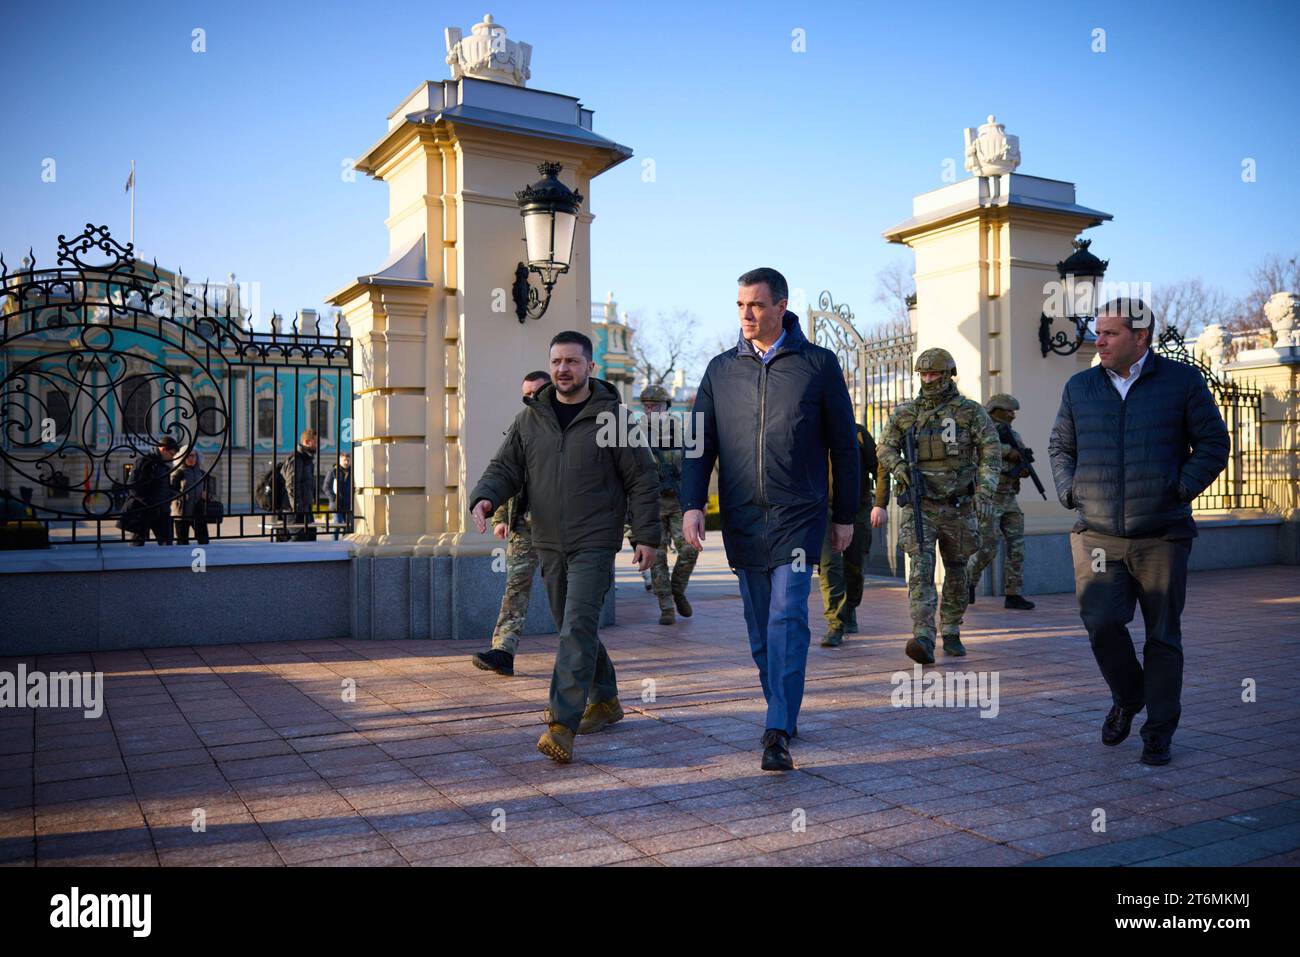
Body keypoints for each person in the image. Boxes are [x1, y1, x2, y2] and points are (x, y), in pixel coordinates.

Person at [682, 267, 858, 773]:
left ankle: (776, 727)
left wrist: (844, 513)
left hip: (798, 515)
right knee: (759, 629)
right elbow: (699, 442)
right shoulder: (720, 370)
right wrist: (693, 502)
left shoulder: (817, 365)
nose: (746, 315)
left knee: (787, 616)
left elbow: (844, 445)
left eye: (755, 305)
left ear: (781, 306)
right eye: (740, 305)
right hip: (741, 518)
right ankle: (783, 707)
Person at [1048, 297, 1228, 766]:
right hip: (1097, 534)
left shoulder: (1182, 381)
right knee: (1102, 623)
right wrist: (1070, 491)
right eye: (1098, 332)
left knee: (1162, 636)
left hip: (1161, 534)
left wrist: (1179, 489)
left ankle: (1159, 731)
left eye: (1109, 334)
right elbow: (1060, 446)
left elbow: (1213, 443)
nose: (1100, 341)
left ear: (1140, 337)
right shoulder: (1080, 386)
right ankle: (1129, 697)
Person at [469, 332, 660, 765]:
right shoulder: (530, 419)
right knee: (571, 625)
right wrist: (486, 497)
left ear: (590, 367)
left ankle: (561, 723)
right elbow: (505, 468)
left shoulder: (614, 419)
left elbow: (642, 480)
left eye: (572, 362)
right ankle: (607, 699)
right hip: (548, 541)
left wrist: (646, 536)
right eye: (556, 361)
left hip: (595, 541)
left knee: (576, 627)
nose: (562, 369)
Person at [877, 348, 1001, 664]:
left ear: (948, 375)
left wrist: (984, 491)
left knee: (958, 570)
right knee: (920, 571)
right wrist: (899, 467)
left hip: (958, 507)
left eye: (934, 374)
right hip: (921, 506)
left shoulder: (971, 412)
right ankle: (923, 636)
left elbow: (991, 452)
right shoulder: (906, 413)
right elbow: (885, 447)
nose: (929, 380)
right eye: (924, 374)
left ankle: (952, 628)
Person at [472, 370, 551, 677]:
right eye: (526, 395)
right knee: (515, 588)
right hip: (524, 525)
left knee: (570, 594)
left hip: (562, 528)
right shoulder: (521, 426)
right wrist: (502, 516)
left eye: (537, 392)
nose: (531, 399)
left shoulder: (572, 425)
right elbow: (507, 473)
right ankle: (503, 651)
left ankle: (585, 660)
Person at [966, 394, 1036, 610]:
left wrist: (1022, 467)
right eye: (1009, 410)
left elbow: (1019, 461)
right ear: (996, 410)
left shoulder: (1013, 434)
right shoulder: (983, 430)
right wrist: (1008, 453)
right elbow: (977, 454)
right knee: (987, 547)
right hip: (989, 499)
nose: (1012, 414)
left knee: (1017, 547)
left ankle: (1013, 593)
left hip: (1009, 498)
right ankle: (967, 582)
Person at [638, 383, 699, 626]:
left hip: (677, 502)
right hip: (651, 505)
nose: (652, 410)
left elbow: (694, 465)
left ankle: (678, 589)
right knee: (657, 557)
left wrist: (697, 501)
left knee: (690, 549)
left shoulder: (682, 431)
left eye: (657, 406)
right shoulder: (636, 434)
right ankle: (666, 606)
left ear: (667, 406)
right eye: (648, 406)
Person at [820, 423, 878, 647]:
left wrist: (880, 503)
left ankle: (851, 606)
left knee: (855, 565)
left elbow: (878, 466)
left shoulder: (859, 433)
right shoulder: (814, 430)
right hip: (823, 508)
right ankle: (835, 622)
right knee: (830, 566)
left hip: (857, 507)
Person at [124, 436, 179, 546]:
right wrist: (148, 502)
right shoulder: (144, 461)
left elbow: (164, 487)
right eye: (171, 454)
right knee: (137, 544)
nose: (172, 458)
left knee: (167, 544)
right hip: (144, 510)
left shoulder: (165, 465)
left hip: (162, 511)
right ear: (163, 449)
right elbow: (132, 485)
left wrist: (173, 494)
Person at [281, 428, 318, 541]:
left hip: (305, 509)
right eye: (315, 442)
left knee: (310, 538)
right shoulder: (296, 459)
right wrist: (297, 508)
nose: (317, 445)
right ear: (307, 442)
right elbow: (291, 485)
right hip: (295, 511)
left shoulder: (307, 459)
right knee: (297, 541)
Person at [170, 449, 210, 546]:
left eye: (193, 456)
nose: (191, 458)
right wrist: (180, 495)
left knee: (204, 540)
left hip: (198, 511)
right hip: (181, 513)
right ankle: (183, 560)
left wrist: (207, 495)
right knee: (182, 542)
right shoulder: (178, 473)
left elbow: (208, 490)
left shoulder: (202, 473)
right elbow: (170, 491)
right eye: (188, 456)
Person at [325, 452, 352, 539]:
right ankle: (334, 543)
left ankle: (346, 542)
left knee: (348, 526)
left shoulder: (353, 472)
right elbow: (326, 487)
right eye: (344, 460)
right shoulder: (333, 472)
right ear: (340, 461)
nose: (346, 462)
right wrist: (333, 498)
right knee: (337, 524)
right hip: (336, 504)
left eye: (348, 460)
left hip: (348, 504)